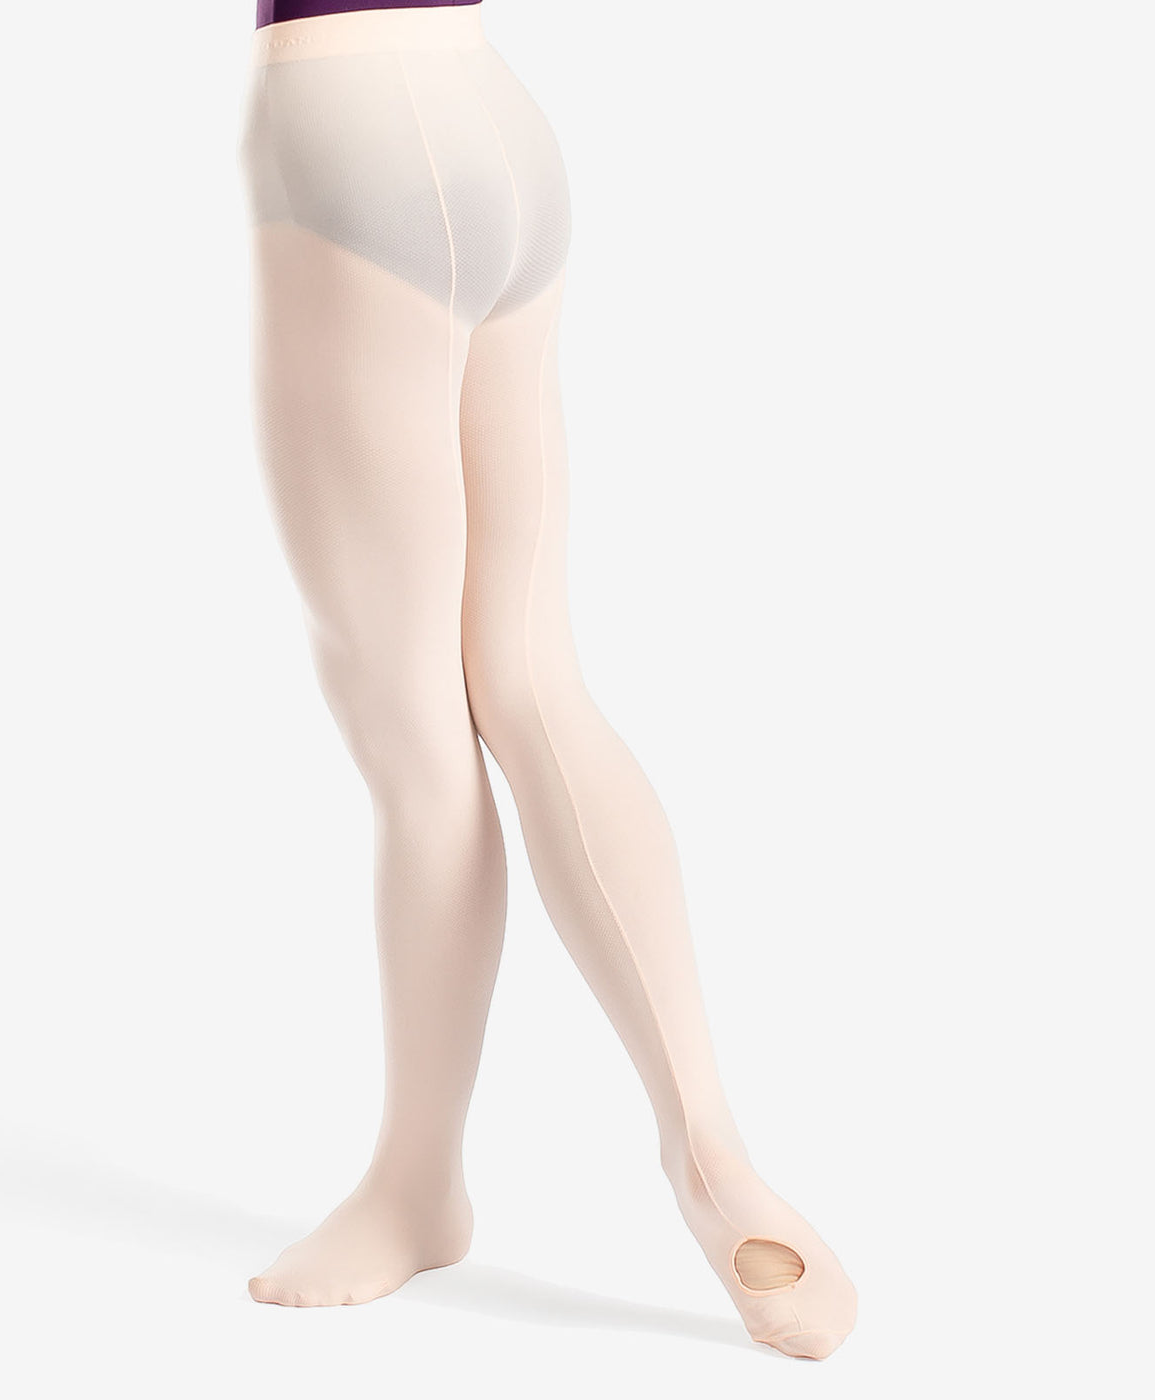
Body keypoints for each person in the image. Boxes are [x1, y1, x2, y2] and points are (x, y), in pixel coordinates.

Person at [238, 0, 857, 1359]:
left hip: (345, 129)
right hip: (493, 114)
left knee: (412, 724)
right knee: (526, 670)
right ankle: (715, 1156)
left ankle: (414, 1183)